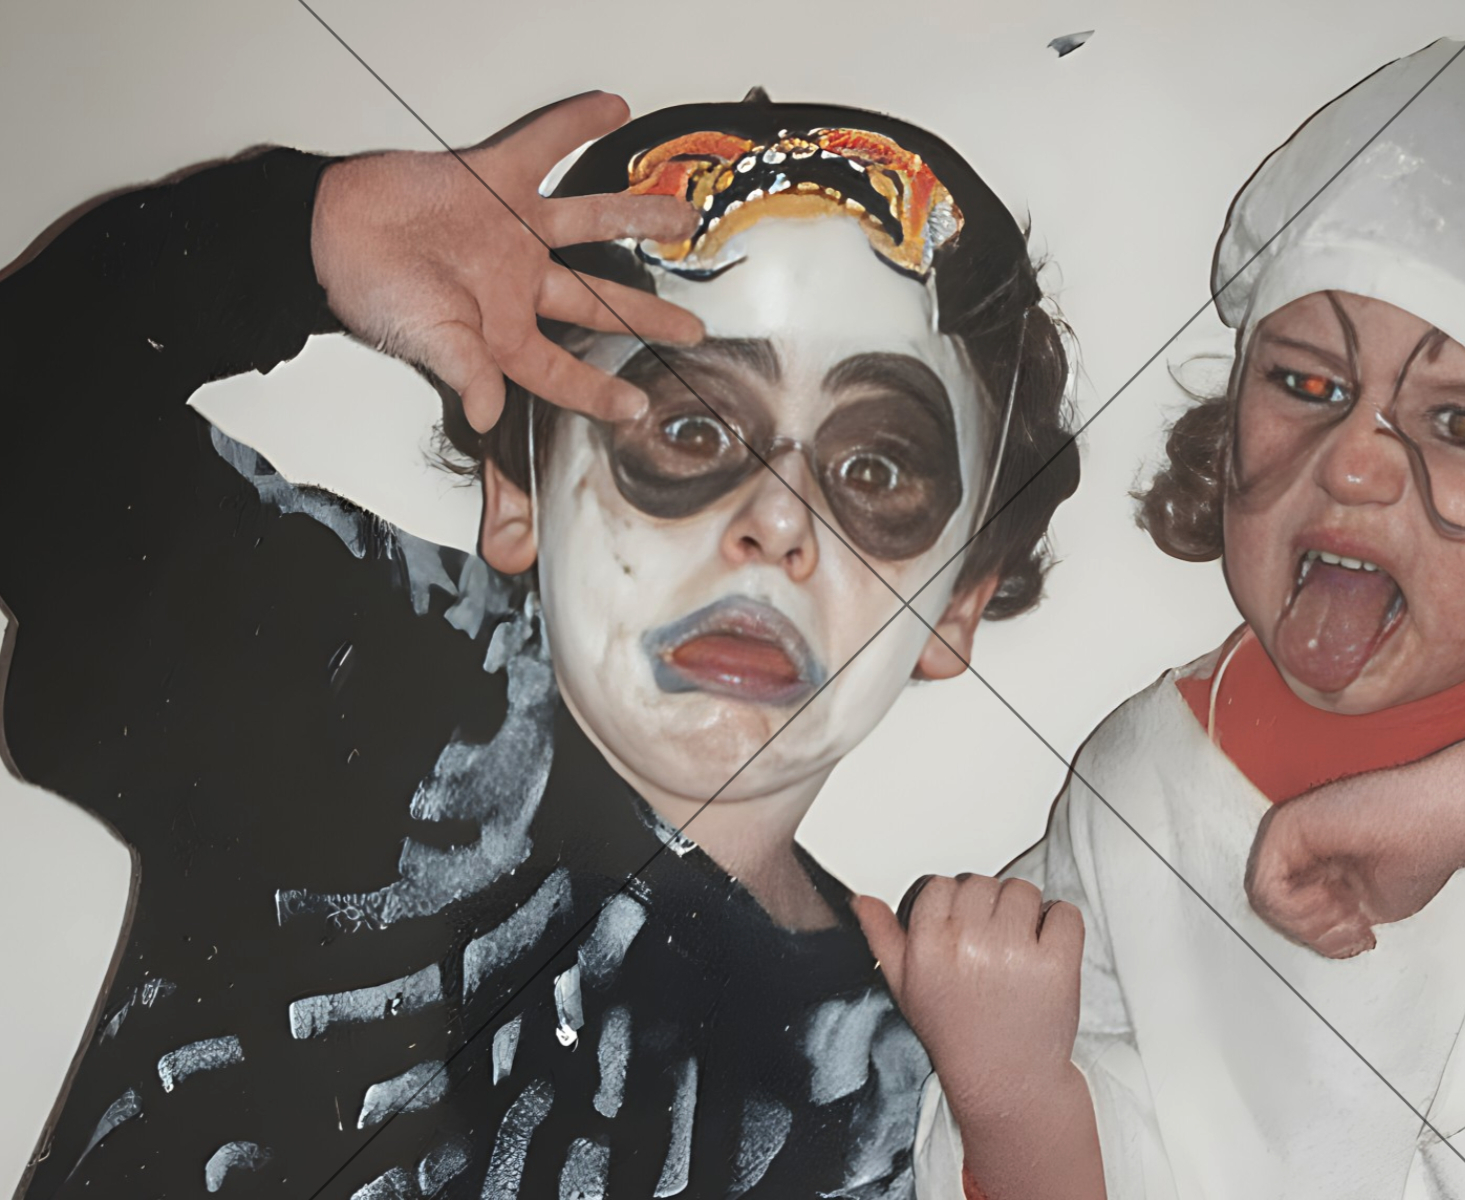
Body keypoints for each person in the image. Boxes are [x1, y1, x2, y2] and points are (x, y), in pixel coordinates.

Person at [0, 90, 1079, 1197]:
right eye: (690, 428)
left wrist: (1018, 1107)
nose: (776, 524)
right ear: (519, 495)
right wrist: (301, 234)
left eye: (875, 469)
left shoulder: (878, 1080)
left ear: (958, 602)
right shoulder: (365, 673)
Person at [857, 36, 1465, 1199]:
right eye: (1307, 385)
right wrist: (1012, 1095)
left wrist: (1454, 808)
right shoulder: (1137, 793)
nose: (1354, 463)